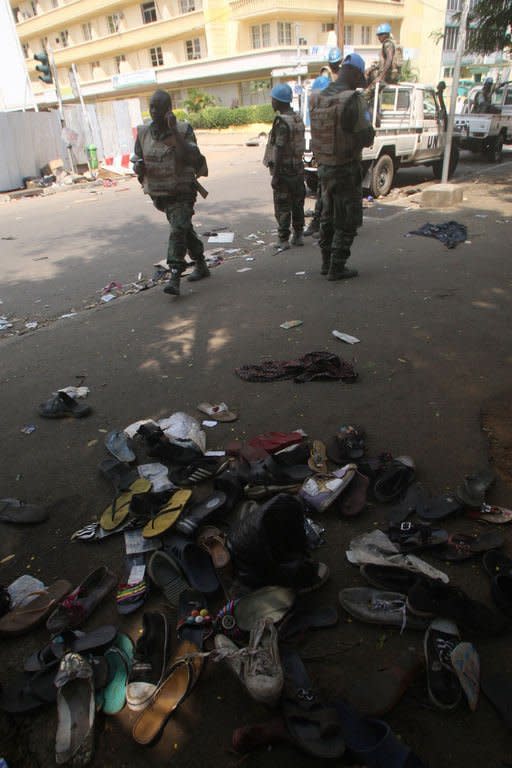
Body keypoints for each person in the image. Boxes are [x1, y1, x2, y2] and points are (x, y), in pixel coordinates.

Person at [133, 89, 209, 296]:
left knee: (177, 229)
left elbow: (191, 158)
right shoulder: (143, 133)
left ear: (169, 110)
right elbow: (137, 161)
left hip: (183, 190)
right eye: (152, 107)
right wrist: (138, 168)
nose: (154, 111)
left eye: (159, 107)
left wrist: (173, 131)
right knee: (183, 228)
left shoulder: (183, 130)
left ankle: (175, 274)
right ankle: (201, 264)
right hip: (161, 194)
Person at [309, 52, 375, 280]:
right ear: (356, 73)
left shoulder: (318, 97)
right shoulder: (352, 100)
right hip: (346, 167)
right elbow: (366, 137)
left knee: (327, 215)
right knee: (347, 218)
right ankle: (337, 266)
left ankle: (326, 262)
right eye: (361, 76)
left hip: (324, 167)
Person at [263, 83, 306, 251]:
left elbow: (279, 148)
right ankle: (298, 234)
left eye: (273, 99)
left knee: (282, 204)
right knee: (297, 203)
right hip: (297, 168)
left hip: (285, 170)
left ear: (279, 101)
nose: (272, 102)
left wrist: (276, 175)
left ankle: (283, 239)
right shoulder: (297, 118)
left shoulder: (282, 122)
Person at [304, 75, 331, 237]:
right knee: (322, 193)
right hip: (323, 160)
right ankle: (317, 223)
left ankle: (326, 226)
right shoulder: (317, 112)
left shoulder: (333, 111)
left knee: (328, 196)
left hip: (333, 161)